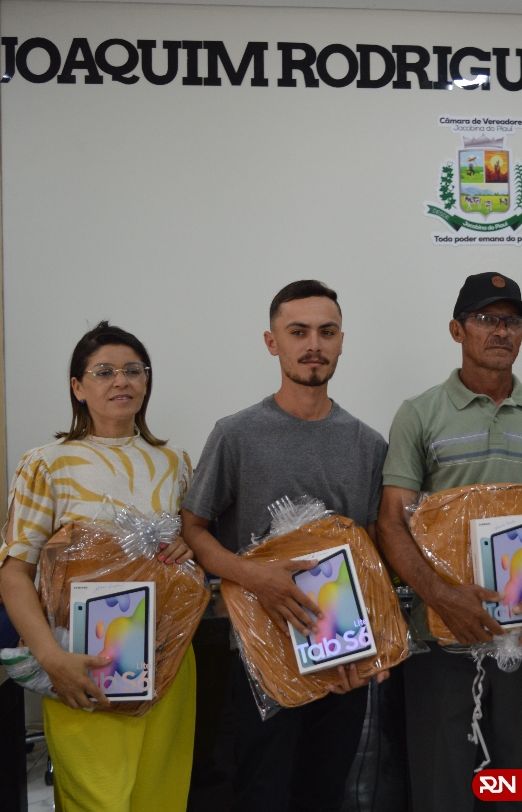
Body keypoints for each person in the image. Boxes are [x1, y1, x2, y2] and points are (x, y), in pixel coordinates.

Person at [374, 271, 522, 812]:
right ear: (457, 330)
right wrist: (440, 595)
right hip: (444, 635)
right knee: (441, 792)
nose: (501, 331)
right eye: (486, 319)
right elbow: (391, 522)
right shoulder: (419, 413)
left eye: (513, 321)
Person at [180, 279, 389, 812]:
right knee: (262, 794)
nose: (313, 345)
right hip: (260, 657)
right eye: (298, 332)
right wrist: (256, 577)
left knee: (325, 794)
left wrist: (375, 645)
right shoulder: (236, 434)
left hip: (340, 655)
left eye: (326, 332)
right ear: (272, 342)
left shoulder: (368, 444)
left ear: (341, 341)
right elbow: (193, 529)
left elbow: (370, 555)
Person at [0, 321, 197, 812]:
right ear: (78, 387)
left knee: (161, 799)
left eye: (134, 370)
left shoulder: (175, 462)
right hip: (82, 662)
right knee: (97, 801)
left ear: (146, 381)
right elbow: (14, 573)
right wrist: (52, 659)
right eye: (104, 371)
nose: (121, 381)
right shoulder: (46, 463)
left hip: (169, 657)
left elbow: (194, 547)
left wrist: (190, 546)